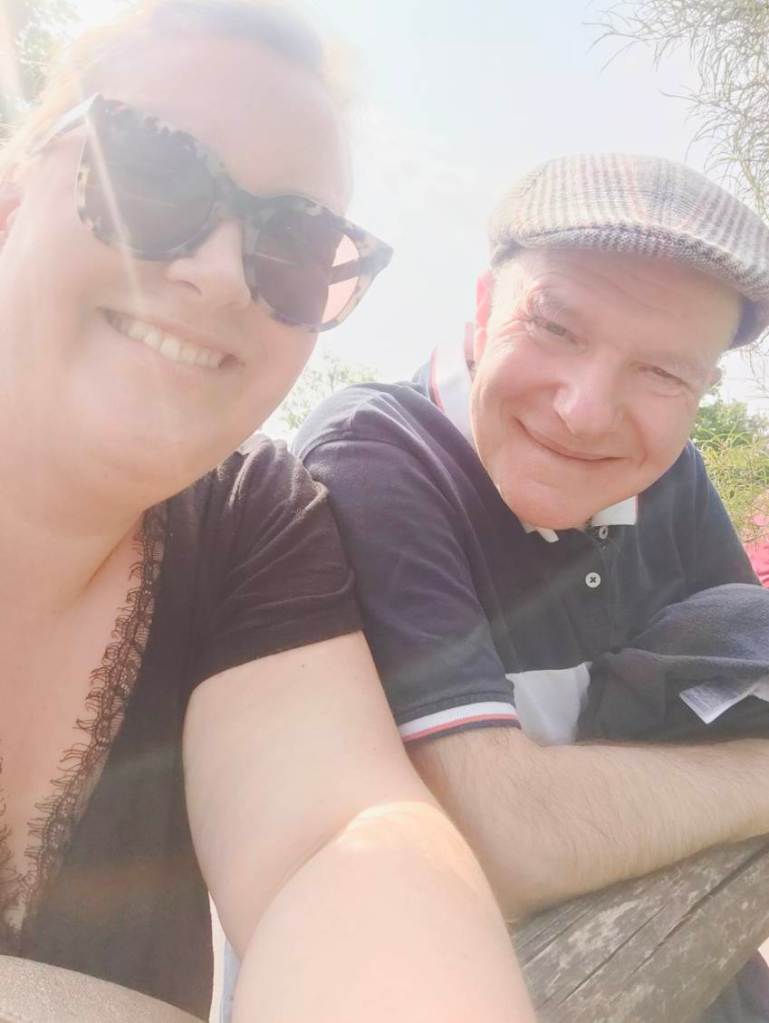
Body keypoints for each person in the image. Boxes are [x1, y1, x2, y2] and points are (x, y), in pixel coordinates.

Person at [0, 3, 538, 1021]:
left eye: (294, 244)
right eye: (150, 173)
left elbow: (336, 843)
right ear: (11, 197)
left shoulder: (253, 517)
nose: (216, 275)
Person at [295, 153, 769, 1020]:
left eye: (663, 372)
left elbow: (752, 689)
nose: (584, 410)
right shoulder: (375, 456)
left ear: (701, 390)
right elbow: (503, 840)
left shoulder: (670, 478)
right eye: (554, 327)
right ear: (482, 312)